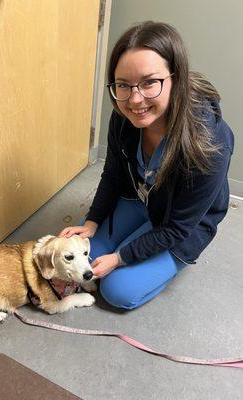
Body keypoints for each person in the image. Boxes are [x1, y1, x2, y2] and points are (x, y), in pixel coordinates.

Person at [59, 21, 234, 310]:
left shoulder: (211, 142)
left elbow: (177, 228)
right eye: (123, 85)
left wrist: (119, 257)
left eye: (150, 82)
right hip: (142, 198)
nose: (135, 99)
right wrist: (92, 221)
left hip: (182, 224)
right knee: (80, 258)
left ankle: (164, 264)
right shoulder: (123, 117)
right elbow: (113, 174)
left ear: (175, 78)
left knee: (117, 291)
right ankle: (132, 237)